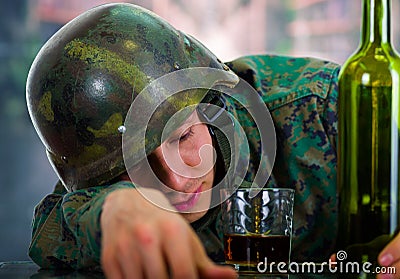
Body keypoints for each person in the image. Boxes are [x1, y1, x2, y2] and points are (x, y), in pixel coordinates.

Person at [25, 3, 400, 279]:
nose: (177, 180)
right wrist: (112, 211)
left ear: (207, 102)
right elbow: (50, 226)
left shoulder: (324, 108)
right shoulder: (102, 148)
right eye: (137, 166)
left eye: (183, 136)